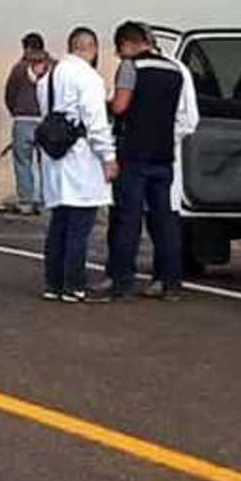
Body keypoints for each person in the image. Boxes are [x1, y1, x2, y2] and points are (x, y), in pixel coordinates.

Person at [94, 21, 192, 301]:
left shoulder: (131, 67)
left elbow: (121, 105)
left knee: (127, 218)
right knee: (164, 220)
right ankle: (169, 281)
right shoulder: (175, 70)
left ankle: (120, 280)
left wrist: (106, 106)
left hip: (134, 152)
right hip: (164, 153)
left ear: (126, 43)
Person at [37, 27, 118, 303]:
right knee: (79, 226)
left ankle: (54, 283)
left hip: (54, 156)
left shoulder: (47, 78)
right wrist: (108, 157)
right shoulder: (88, 78)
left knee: (59, 222)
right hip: (81, 157)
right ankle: (75, 285)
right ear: (91, 48)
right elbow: (96, 123)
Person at [4, 32, 51, 214]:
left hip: (23, 120)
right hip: (47, 121)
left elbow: (10, 94)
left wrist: (15, 112)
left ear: (26, 47)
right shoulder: (54, 67)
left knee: (23, 162)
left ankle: (25, 202)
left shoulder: (19, 68)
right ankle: (46, 202)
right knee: (47, 162)